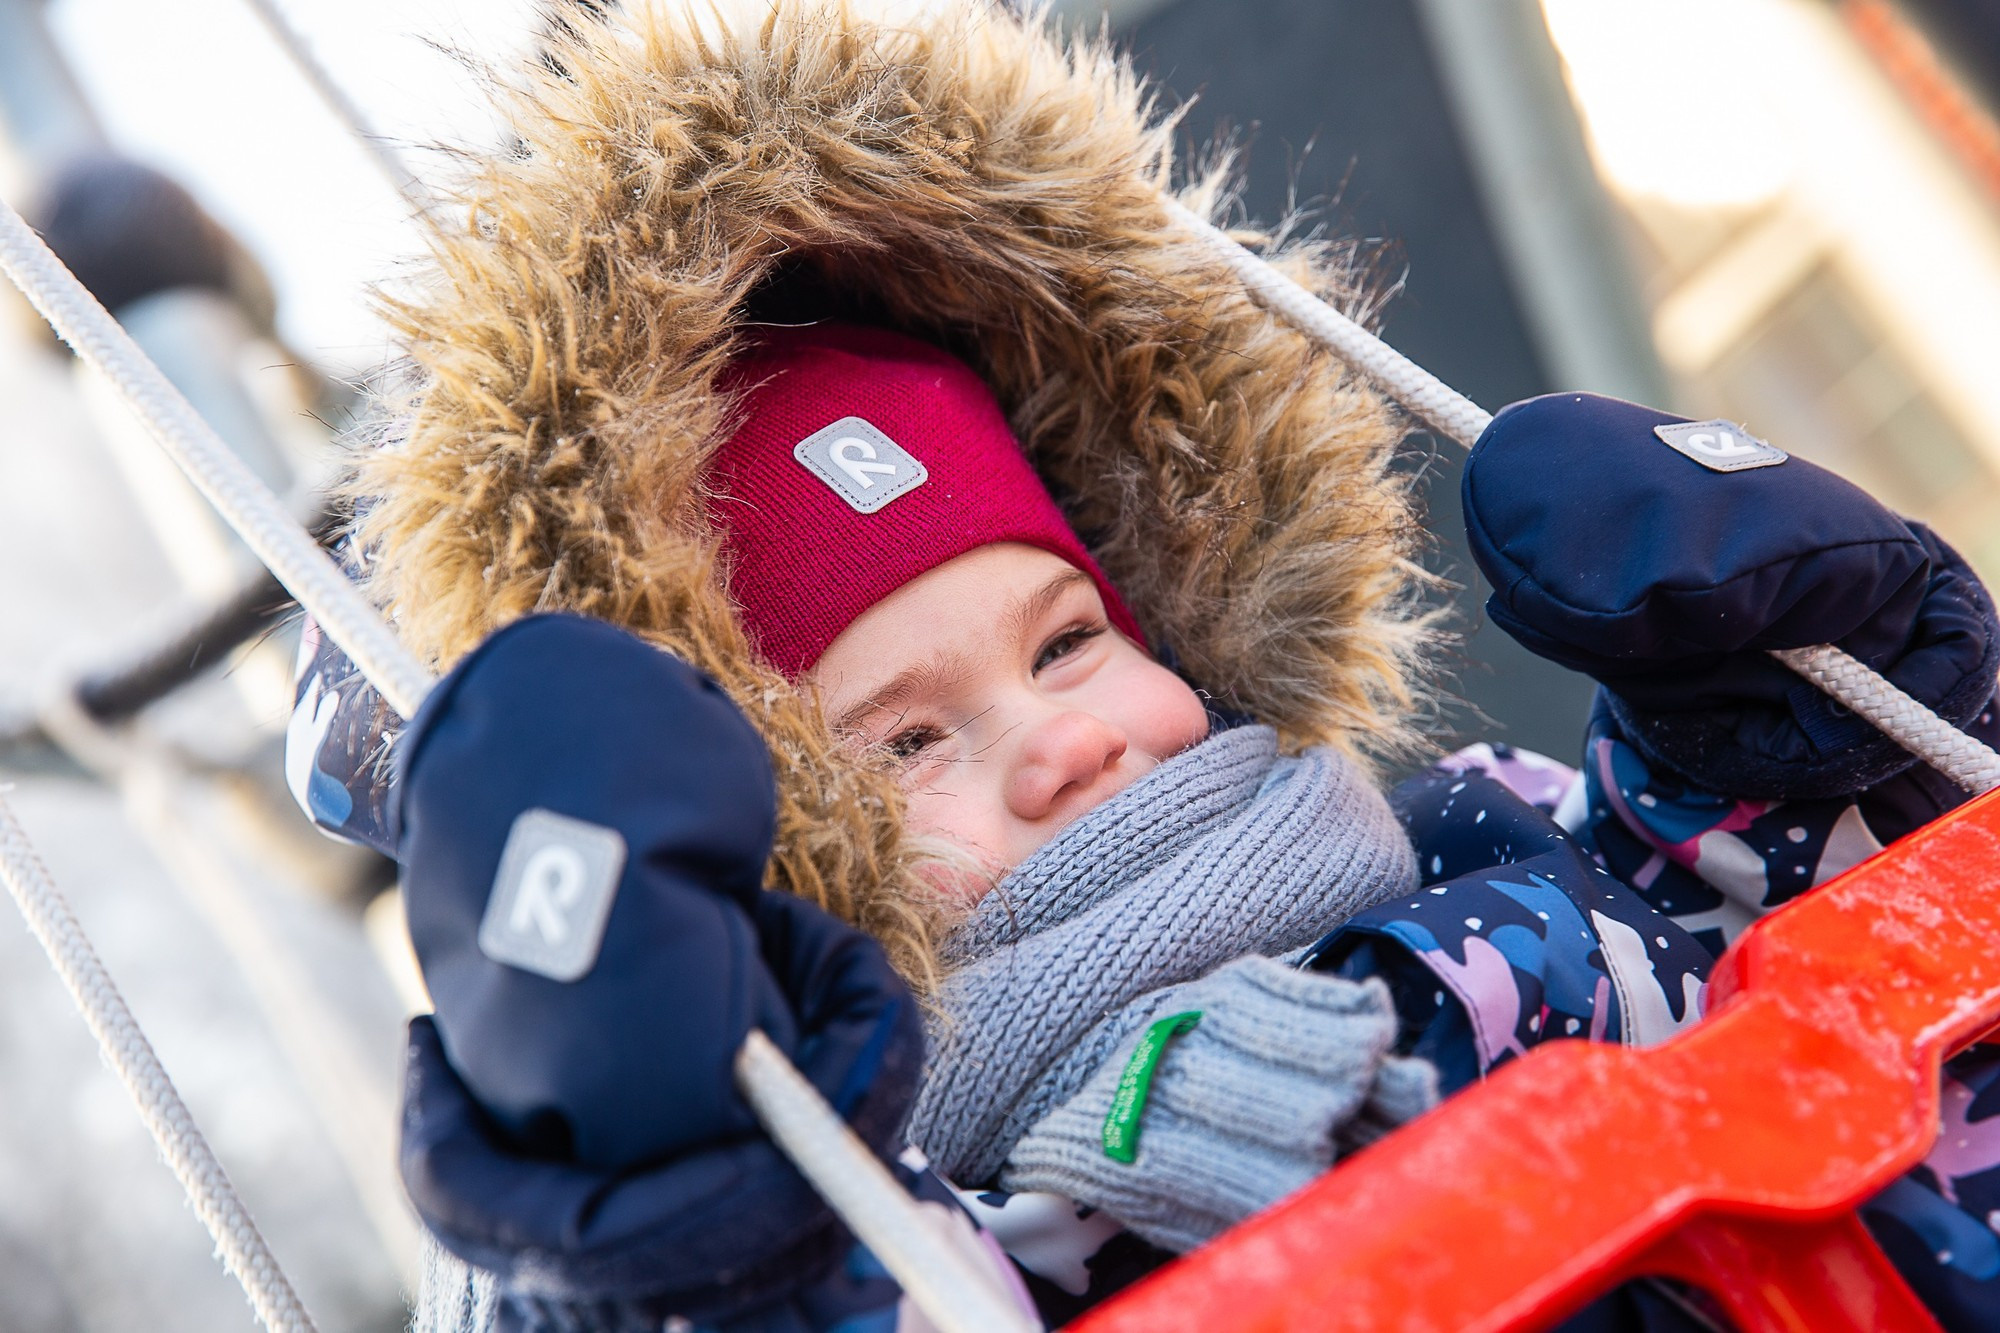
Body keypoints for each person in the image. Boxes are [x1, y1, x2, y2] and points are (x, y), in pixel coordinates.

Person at [286, 2, 2000, 1328]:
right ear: (772, 860)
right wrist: (671, 1185)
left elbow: (1835, 987)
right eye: (903, 745)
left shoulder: (1488, 840)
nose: (1061, 742)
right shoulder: (919, 1222)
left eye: (1068, 639)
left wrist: (1798, 729)